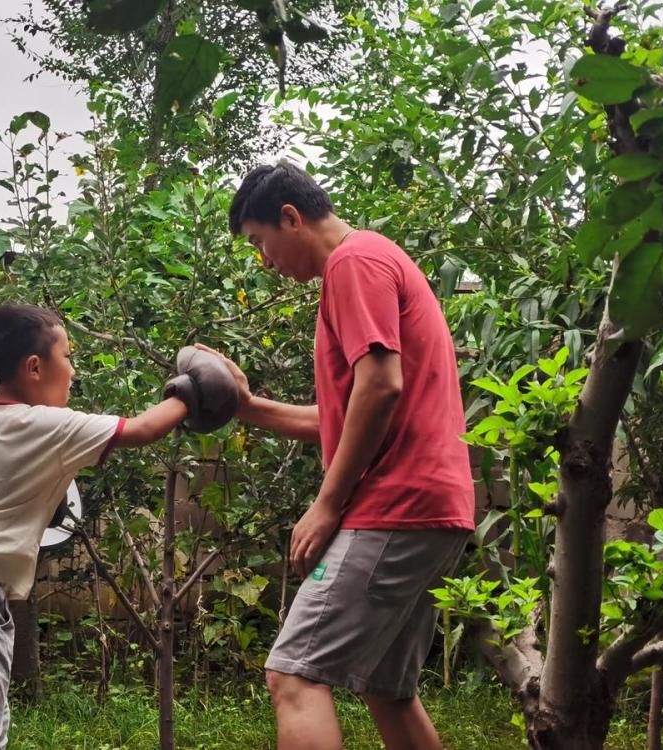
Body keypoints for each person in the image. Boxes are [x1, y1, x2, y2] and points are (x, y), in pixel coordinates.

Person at [205, 161, 475, 750]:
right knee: (388, 689)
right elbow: (346, 415)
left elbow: (381, 385)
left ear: (290, 217)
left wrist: (327, 505)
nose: (264, 261)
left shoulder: (354, 262)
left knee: (293, 674)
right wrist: (248, 405)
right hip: (432, 509)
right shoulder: (375, 260)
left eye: (260, 242)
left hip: (394, 509)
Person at [0, 303, 235, 750]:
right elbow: (140, 431)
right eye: (68, 356)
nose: (74, 372)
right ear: (35, 366)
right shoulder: (42, 423)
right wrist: (190, 390)